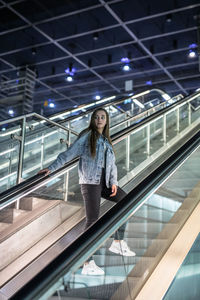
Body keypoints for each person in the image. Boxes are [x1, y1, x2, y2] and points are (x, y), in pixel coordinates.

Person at [38, 107, 135, 275]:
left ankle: (118, 242)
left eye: (102, 117)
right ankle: (87, 262)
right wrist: (51, 168)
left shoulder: (106, 141)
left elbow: (112, 166)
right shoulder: (86, 137)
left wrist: (114, 182)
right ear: (93, 119)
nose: (99, 119)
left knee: (127, 201)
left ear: (106, 121)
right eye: (96, 117)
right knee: (92, 221)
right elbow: (67, 154)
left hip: (105, 184)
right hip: (90, 183)